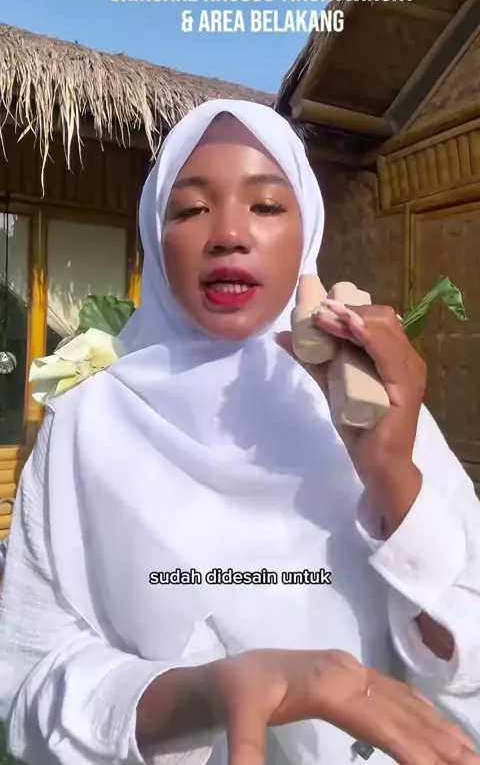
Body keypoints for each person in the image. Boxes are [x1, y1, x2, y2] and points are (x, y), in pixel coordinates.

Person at [1, 99, 480, 765]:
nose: (228, 233)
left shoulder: (378, 413)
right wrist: (204, 694)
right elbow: (27, 682)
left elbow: (466, 670)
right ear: (154, 237)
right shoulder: (85, 427)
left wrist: (391, 475)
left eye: (266, 205)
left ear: (308, 233)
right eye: (192, 209)